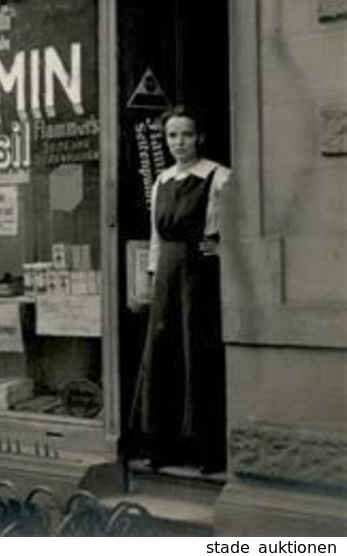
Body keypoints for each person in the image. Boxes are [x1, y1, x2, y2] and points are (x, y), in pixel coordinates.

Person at [135, 106, 230, 473]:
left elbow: (237, 228)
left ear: (199, 137)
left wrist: (220, 248)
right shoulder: (161, 180)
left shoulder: (219, 177)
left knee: (197, 352)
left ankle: (205, 450)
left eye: (186, 134)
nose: (179, 142)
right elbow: (156, 236)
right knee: (164, 354)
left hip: (200, 277)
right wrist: (151, 276)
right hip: (167, 279)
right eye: (172, 135)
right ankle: (165, 446)